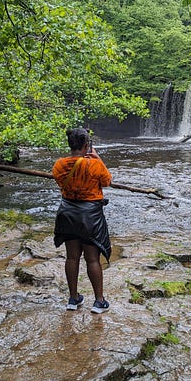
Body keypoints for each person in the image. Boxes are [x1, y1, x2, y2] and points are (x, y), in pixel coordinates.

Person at [52, 128, 112, 314]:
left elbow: (61, 183)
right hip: (90, 215)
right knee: (92, 259)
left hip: (68, 213)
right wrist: (96, 157)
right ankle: (99, 302)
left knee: (72, 257)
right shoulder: (94, 165)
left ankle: (73, 298)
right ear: (87, 145)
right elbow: (107, 181)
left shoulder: (59, 165)